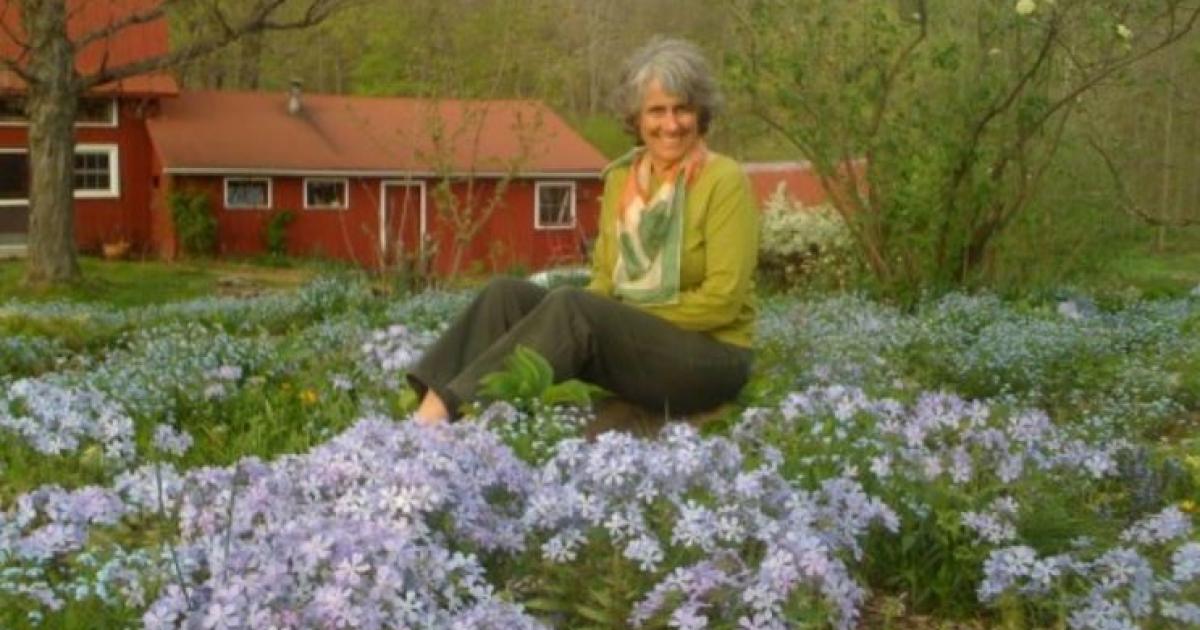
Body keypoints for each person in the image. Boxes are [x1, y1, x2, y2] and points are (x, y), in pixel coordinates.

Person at [407, 37, 758, 425]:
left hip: (710, 359)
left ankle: (452, 421)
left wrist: (617, 317)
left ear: (701, 113)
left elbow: (722, 300)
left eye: (683, 110)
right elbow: (605, 282)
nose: (671, 125)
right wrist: (601, 317)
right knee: (504, 295)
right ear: (637, 119)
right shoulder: (622, 179)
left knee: (575, 308)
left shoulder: (724, 179)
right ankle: (429, 411)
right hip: (638, 344)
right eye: (657, 111)